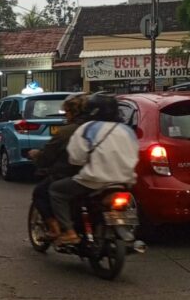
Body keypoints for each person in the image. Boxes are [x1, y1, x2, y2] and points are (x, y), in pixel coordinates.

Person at [49, 93, 139, 245]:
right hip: (125, 181)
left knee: (56, 190)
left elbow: (76, 158)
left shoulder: (87, 128)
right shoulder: (127, 130)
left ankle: (70, 232)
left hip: (93, 181)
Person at [28, 93, 87, 237]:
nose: (64, 116)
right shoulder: (101, 129)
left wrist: (36, 156)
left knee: (41, 192)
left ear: (73, 112)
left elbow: (47, 156)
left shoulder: (67, 131)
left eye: (66, 112)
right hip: (103, 175)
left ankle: (57, 228)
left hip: (73, 176)